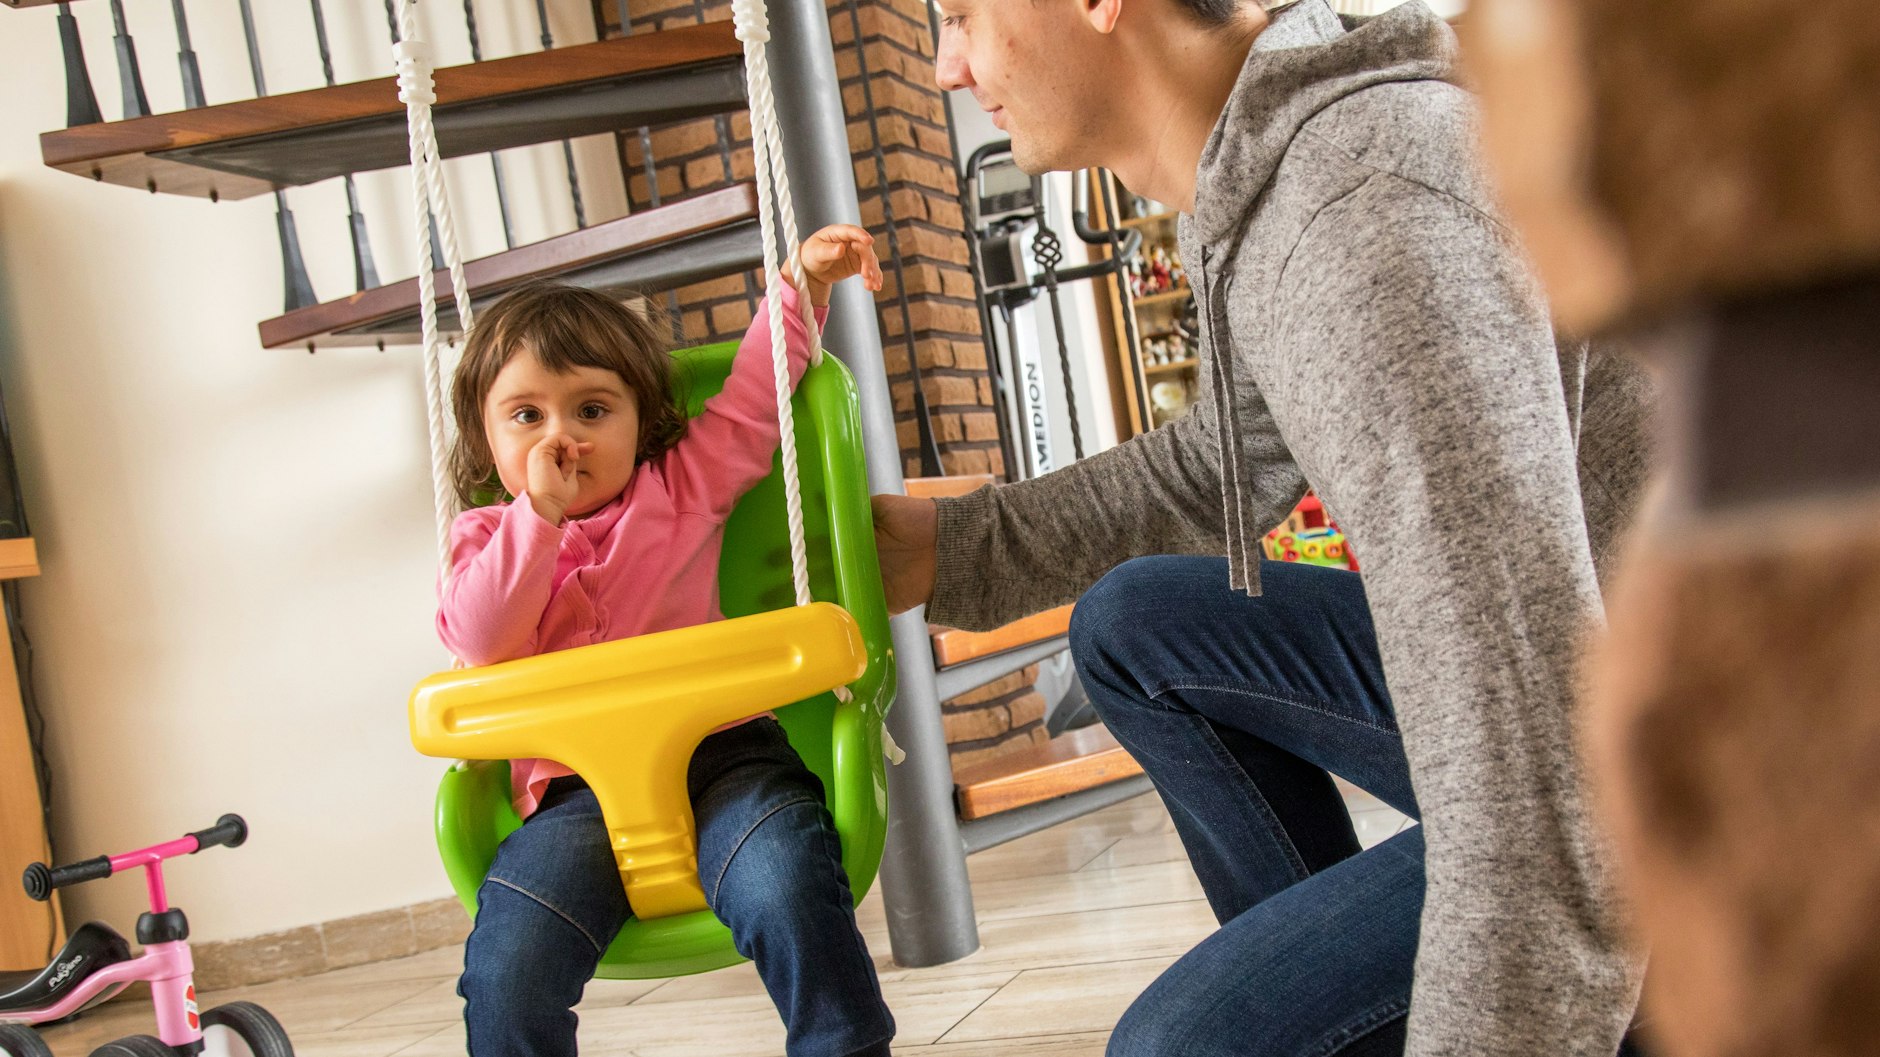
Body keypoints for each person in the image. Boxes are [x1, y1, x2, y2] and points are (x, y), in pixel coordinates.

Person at [871, 0, 1655, 1054]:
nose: (945, 65)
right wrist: (952, 547)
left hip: (1705, 777)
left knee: (1175, 1049)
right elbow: (1226, 457)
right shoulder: (1261, 172)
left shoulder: (1363, 216)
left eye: (962, 12)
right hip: (1598, 684)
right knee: (1134, 627)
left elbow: (1546, 807)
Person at [436, 227, 895, 1057]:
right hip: (574, 793)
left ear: (643, 419)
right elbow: (481, 637)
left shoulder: (681, 484)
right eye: (526, 415)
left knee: (788, 890)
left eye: (591, 410)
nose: (560, 438)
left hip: (728, 760)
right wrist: (534, 521)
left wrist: (800, 285)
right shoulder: (484, 536)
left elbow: (758, 396)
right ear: (486, 434)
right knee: (507, 966)